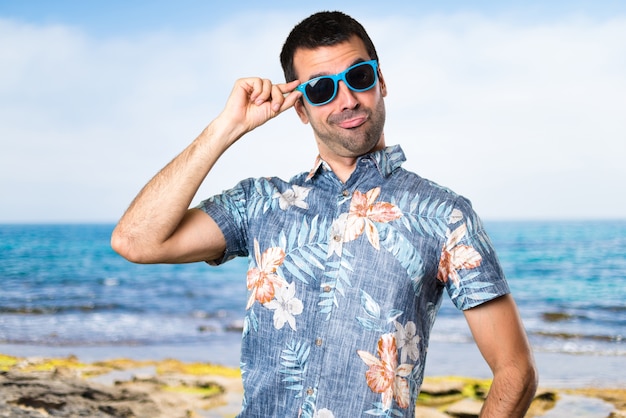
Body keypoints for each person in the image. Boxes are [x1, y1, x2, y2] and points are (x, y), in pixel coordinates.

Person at [111, 10, 537, 417]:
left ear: (381, 80)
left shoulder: (445, 215)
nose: (347, 100)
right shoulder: (259, 203)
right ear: (300, 107)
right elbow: (136, 241)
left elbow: (515, 371)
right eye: (320, 89)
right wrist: (227, 128)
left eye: (359, 77)